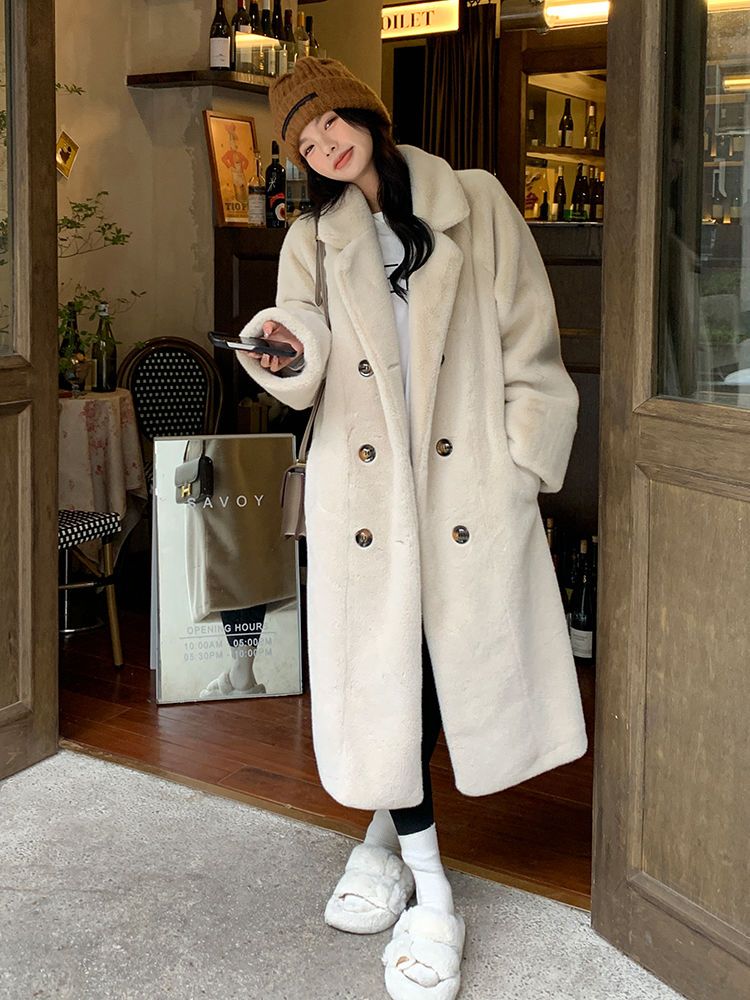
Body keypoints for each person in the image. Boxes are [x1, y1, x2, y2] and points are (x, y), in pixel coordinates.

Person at [235, 57, 588, 1000]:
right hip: (367, 500)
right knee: (388, 674)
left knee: (438, 667)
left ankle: (381, 839)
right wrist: (281, 349)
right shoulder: (311, 237)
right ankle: (432, 890)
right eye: (304, 141)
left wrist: (521, 465)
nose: (323, 145)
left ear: (364, 112)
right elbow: (305, 356)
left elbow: (531, 338)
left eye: (330, 123)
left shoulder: (475, 202)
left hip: (468, 486)